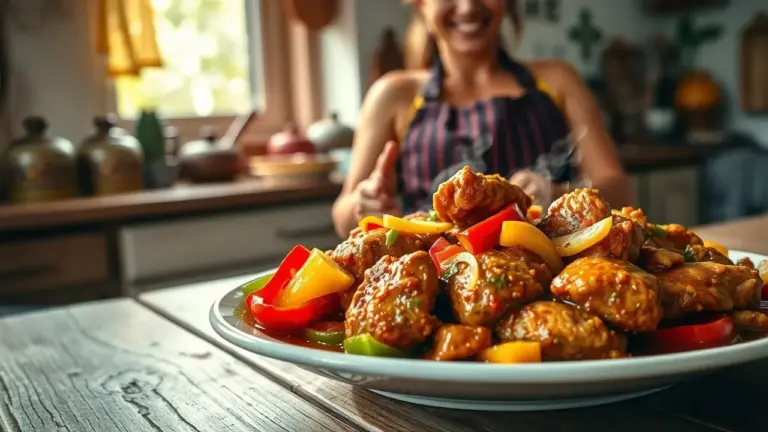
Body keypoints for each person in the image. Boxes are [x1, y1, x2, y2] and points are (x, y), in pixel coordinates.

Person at [332, 0, 633, 238]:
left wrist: (558, 194)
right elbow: (342, 214)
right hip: (434, 279)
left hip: (548, 277)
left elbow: (619, 189)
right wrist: (363, 204)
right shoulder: (394, 94)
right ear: (422, 4)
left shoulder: (558, 81)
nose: (467, 6)